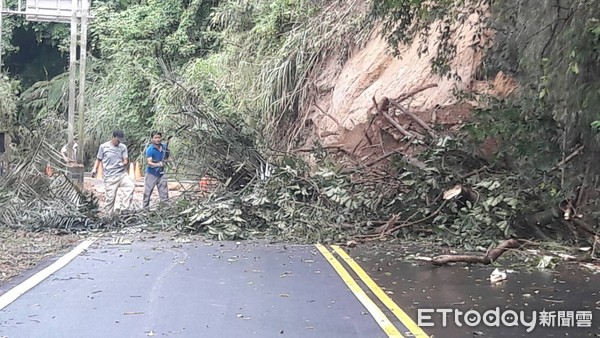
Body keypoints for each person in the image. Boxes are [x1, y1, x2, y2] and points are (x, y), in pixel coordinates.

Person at [91, 130, 135, 214]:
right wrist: (94, 169)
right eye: (118, 140)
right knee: (110, 198)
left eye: (120, 141)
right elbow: (99, 159)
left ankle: (124, 209)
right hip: (110, 177)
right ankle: (109, 215)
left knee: (130, 186)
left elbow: (125, 160)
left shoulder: (123, 147)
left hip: (121, 174)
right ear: (113, 137)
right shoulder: (103, 147)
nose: (119, 142)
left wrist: (123, 164)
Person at [143, 131, 170, 208]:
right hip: (151, 173)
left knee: (164, 192)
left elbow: (168, 157)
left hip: (162, 173)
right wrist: (158, 164)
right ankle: (145, 209)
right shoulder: (150, 149)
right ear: (152, 139)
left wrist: (173, 165)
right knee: (147, 192)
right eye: (155, 138)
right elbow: (149, 162)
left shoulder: (164, 147)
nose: (157, 139)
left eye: (159, 137)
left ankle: (165, 209)